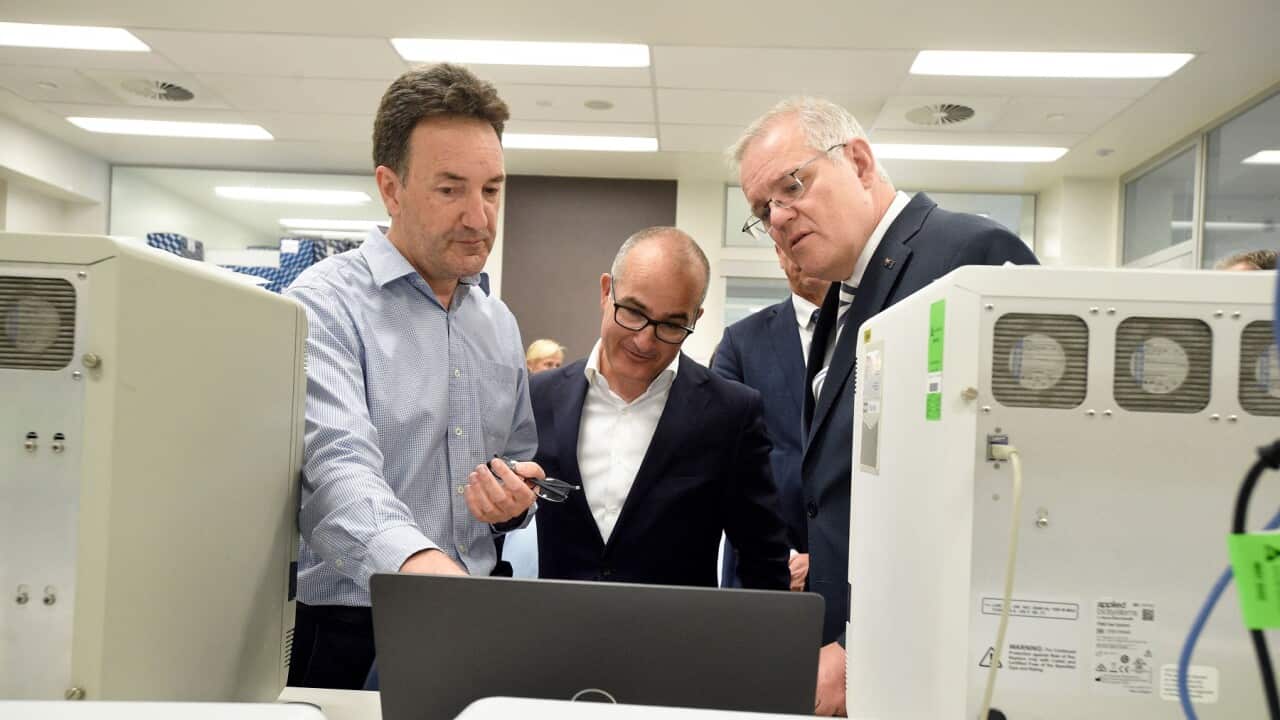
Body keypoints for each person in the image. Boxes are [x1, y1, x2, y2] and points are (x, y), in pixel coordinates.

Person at [732, 97, 1039, 716]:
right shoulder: (843, 298)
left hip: (929, 659)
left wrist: (858, 649)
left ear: (859, 162)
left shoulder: (966, 255)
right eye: (763, 210)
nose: (779, 218)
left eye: (792, 186)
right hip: (860, 651)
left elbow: (1003, 495)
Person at [284, 63, 544, 689]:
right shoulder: (323, 305)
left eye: (491, 190)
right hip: (353, 629)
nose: (479, 217)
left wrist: (512, 504)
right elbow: (335, 470)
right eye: (451, 190)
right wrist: (425, 569)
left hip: (472, 613)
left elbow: (515, 458)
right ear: (391, 188)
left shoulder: (497, 322)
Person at [527, 227, 791, 590]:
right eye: (634, 312)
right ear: (606, 292)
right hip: (558, 623)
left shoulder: (731, 413)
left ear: (695, 319)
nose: (644, 340)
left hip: (680, 626)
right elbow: (498, 521)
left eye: (671, 325)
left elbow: (763, 559)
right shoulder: (539, 397)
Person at [712, 245, 830, 591]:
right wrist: (781, 556)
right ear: (779, 253)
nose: (804, 254)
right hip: (760, 563)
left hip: (854, 569)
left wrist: (826, 557)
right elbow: (721, 456)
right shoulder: (740, 342)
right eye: (792, 245)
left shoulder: (875, 331)